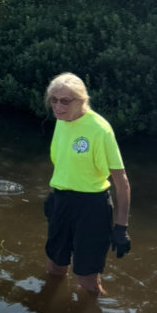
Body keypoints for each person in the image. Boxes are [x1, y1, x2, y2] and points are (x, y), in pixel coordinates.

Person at [43, 72, 131, 297]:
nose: (58, 106)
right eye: (54, 100)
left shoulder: (99, 130)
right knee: (55, 266)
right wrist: (55, 196)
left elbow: (121, 182)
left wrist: (121, 227)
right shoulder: (62, 121)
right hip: (62, 201)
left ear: (82, 101)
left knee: (87, 278)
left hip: (91, 206)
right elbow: (63, 163)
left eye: (65, 101)